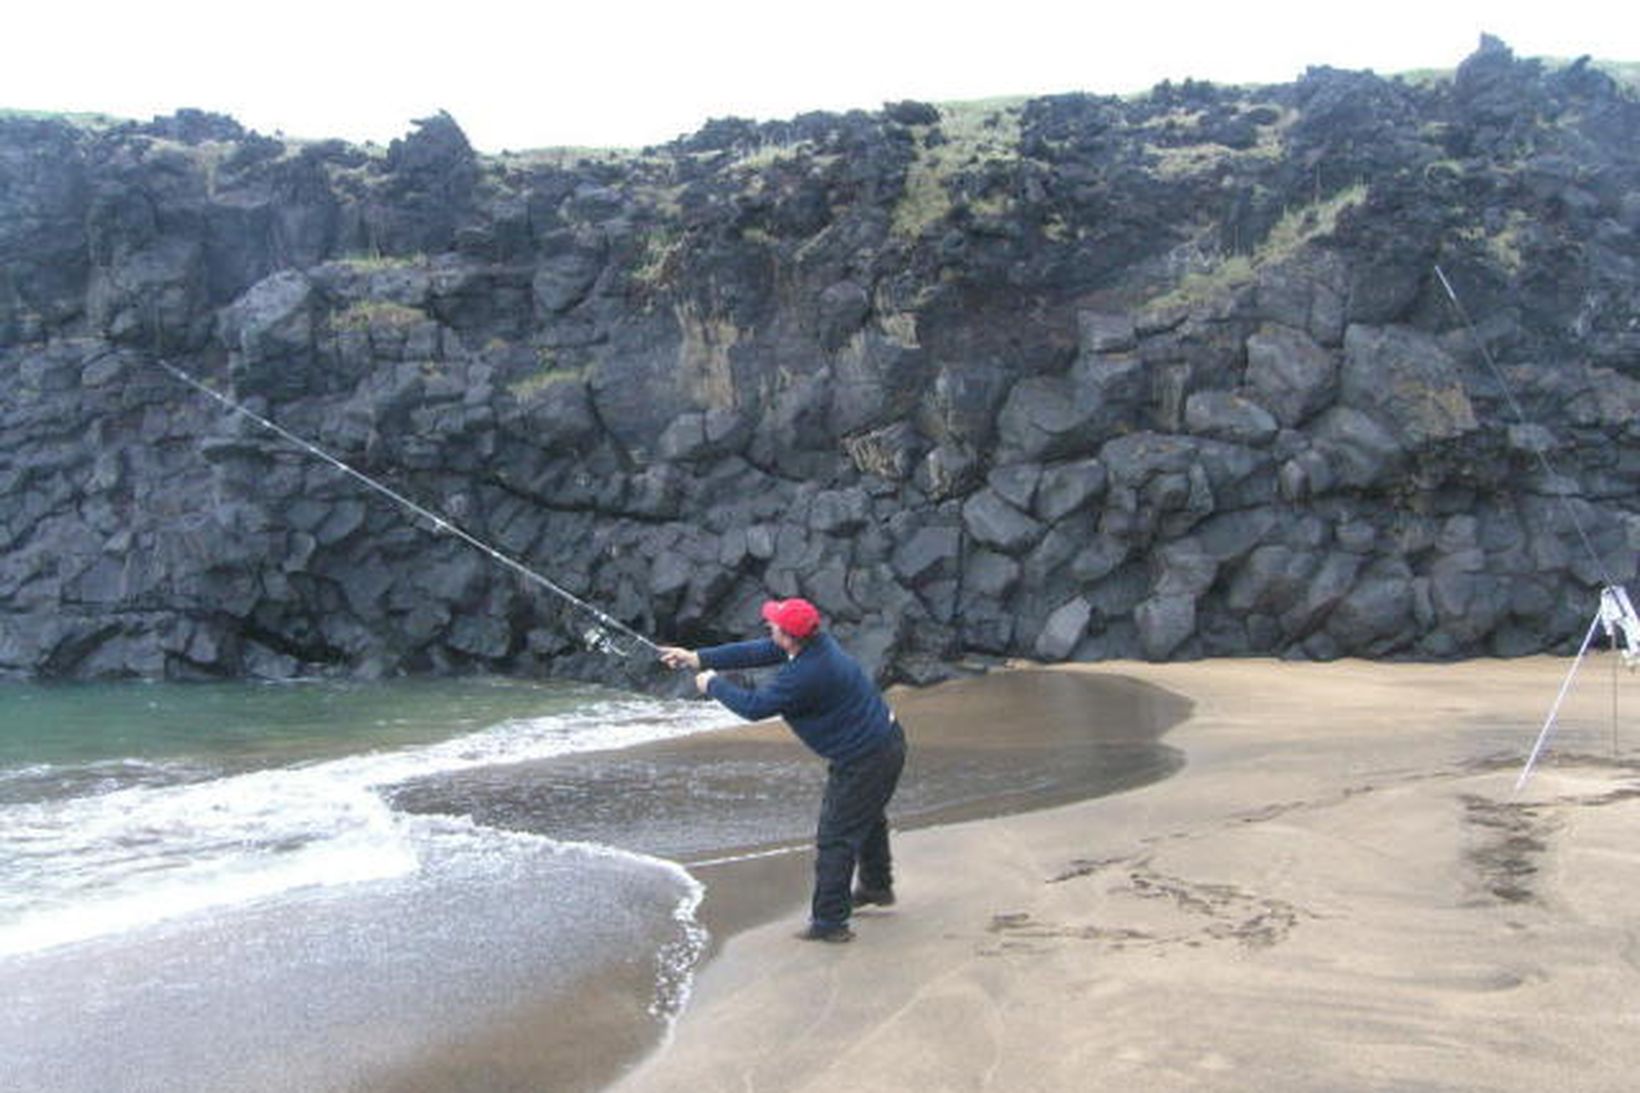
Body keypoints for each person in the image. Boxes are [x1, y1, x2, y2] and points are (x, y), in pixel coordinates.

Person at [659, 598, 906, 943]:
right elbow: (758, 651)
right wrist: (697, 658)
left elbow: (755, 707)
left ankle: (830, 924)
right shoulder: (815, 645)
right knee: (866, 817)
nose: (768, 627)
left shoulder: (806, 673)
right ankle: (877, 888)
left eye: (774, 624)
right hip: (881, 743)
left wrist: (712, 684)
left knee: (836, 837)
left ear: (790, 637)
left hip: (868, 756)